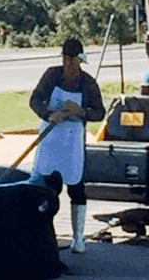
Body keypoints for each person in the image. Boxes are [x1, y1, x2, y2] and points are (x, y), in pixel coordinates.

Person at [29, 38, 106, 254]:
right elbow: (35, 100)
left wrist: (80, 112)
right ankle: (45, 236)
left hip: (73, 139)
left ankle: (78, 238)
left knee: (77, 187)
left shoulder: (88, 83)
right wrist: (49, 114)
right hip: (51, 135)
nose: (69, 65)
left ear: (80, 61)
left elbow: (100, 113)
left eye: (73, 60)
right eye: (66, 59)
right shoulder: (51, 75)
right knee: (46, 186)